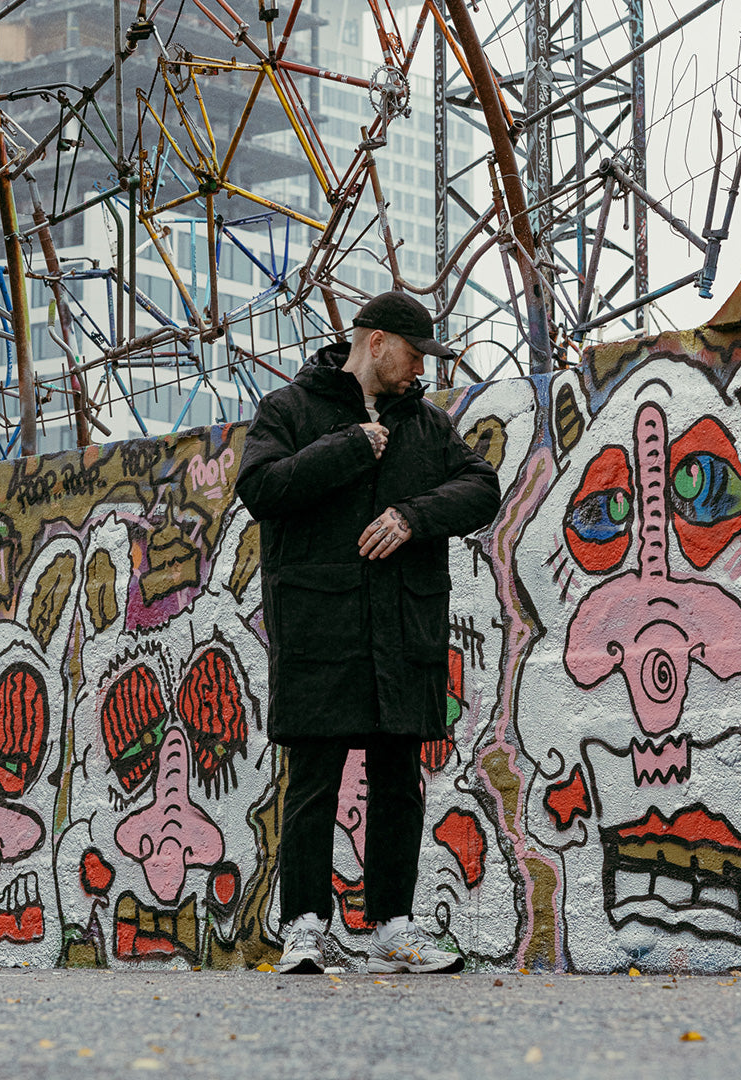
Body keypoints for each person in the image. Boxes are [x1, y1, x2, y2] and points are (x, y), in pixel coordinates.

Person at [235, 291, 501, 974]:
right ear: (376, 342)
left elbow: (483, 488)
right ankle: (304, 928)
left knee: (398, 780)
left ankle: (392, 928)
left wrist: (413, 516)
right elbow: (260, 488)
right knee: (314, 780)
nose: (421, 370)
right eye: (414, 354)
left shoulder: (428, 425)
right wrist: (348, 447)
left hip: (405, 629)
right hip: (319, 629)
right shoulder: (290, 409)